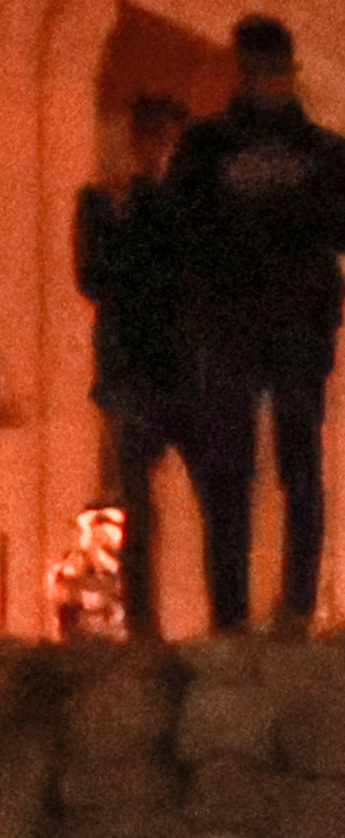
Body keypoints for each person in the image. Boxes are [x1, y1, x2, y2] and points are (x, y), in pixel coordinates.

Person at [162, 15, 345, 635]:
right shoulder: (208, 147)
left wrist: (284, 221)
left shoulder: (325, 150)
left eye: (270, 68)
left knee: (293, 468)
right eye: (255, 68)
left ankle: (294, 609)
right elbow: (179, 230)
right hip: (236, 327)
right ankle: (233, 614)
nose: (264, 80)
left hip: (292, 329)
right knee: (236, 471)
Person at [73, 93, 193, 641]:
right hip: (131, 366)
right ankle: (143, 617)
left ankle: (178, 612)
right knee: (136, 501)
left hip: (177, 365)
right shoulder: (105, 201)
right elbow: (95, 276)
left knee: (198, 489)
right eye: (155, 139)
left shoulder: (180, 207)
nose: (161, 153)